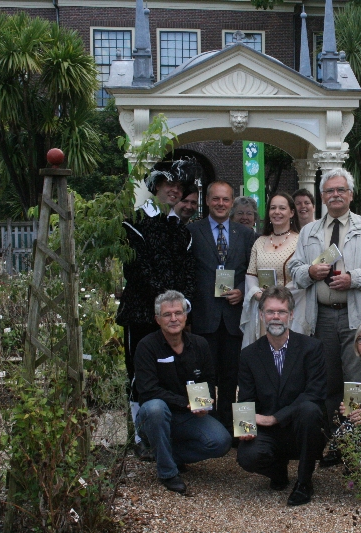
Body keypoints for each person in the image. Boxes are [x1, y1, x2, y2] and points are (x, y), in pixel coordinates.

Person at [288, 168, 361, 439]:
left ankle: (355, 441)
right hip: (319, 316)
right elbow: (295, 269)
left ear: (350, 195)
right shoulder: (309, 230)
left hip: (354, 315)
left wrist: (352, 279)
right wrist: (310, 272)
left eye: (340, 190)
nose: (335, 195)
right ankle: (335, 437)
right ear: (322, 196)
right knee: (328, 380)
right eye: (330, 191)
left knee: (356, 379)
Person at [116, 158, 199, 460]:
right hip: (140, 314)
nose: (175, 191)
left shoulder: (182, 231)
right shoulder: (133, 223)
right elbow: (139, 271)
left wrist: (181, 307)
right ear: (156, 187)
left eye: (179, 186)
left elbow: (188, 273)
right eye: (169, 185)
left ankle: (168, 433)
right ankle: (140, 437)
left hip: (174, 318)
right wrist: (166, 304)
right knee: (139, 374)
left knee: (171, 374)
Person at [134, 290, 233, 493]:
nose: (173, 319)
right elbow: (147, 391)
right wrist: (184, 403)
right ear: (157, 319)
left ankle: (164, 453)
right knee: (155, 408)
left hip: (189, 416)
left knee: (221, 442)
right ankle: (168, 472)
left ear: (185, 316)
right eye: (167, 314)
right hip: (157, 416)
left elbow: (208, 379)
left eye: (178, 313)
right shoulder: (146, 346)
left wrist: (205, 403)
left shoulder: (199, 344)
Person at [236, 286, 327, 506]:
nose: (276, 317)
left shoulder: (312, 348)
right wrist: (245, 428)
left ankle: (304, 482)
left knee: (310, 410)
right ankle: (278, 472)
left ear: (291, 315)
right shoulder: (248, 355)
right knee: (247, 457)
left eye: (281, 312)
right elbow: (246, 399)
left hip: (301, 428)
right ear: (261, 315)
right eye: (270, 312)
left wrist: (275, 418)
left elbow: (314, 393)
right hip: (268, 433)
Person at [188, 181, 256, 433]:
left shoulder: (246, 234)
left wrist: (242, 288)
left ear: (231, 202)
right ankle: (202, 426)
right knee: (200, 374)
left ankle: (229, 428)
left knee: (231, 376)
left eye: (225, 200)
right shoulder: (192, 231)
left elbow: (252, 270)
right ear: (207, 201)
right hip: (203, 314)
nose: (220, 204)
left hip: (233, 317)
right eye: (215, 199)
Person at [240, 192, 302, 347]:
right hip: (263, 307)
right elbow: (251, 274)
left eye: (282, 208)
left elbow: (301, 277)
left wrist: (279, 297)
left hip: (289, 306)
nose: (277, 212)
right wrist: (257, 294)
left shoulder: (300, 241)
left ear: (292, 212)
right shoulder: (260, 241)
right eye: (273, 208)